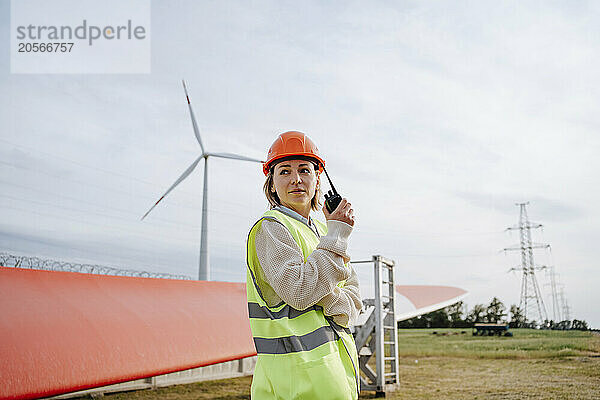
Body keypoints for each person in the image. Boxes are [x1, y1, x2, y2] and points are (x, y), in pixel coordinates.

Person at [246, 131, 362, 399]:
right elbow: (299, 292)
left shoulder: (325, 230)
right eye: (284, 171)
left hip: (336, 376)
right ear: (272, 184)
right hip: (293, 383)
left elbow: (354, 303)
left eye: (304, 170)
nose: (296, 179)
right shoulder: (270, 229)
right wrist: (337, 236)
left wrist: (326, 299)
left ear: (317, 179)